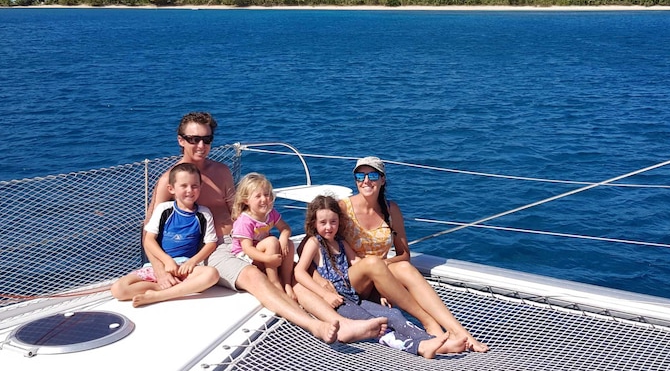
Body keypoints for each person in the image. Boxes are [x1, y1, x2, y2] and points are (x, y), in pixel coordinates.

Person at [147, 112, 387, 344]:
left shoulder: (220, 172)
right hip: (210, 250)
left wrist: (267, 239)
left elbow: (240, 212)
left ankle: (340, 324)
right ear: (181, 140)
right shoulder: (170, 181)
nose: (201, 145)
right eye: (193, 139)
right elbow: (150, 231)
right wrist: (161, 271)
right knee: (254, 277)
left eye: (207, 139)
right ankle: (316, 326)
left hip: (243, 241)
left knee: (290, 274)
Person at [339, 156, 489, 352]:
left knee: (403, 267)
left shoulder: (391, 210)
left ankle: (459, 332)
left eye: (373, 175)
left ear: (382, 179)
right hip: (349, 281)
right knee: (375, 263)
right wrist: (376, 267)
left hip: (378, 279)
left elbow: (403, 254)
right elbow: (322, 245)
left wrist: (382, 273)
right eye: (361, 176)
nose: (366, 181)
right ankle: (429, 323)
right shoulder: (342, 208)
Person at [296, 195, 466, 358]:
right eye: (323, 223)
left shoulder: (340, 242)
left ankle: (433, 342)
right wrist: (325, 294)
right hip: (338, 301)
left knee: (393, 315)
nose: (329, 227)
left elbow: (356, 262)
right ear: (314, 223)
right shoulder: (314, 243)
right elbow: (299, 272)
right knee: (377, 324)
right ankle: (419, 347)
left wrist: (381, 286)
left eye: (333, 222)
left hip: (353, 295)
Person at [111, 162, 219, 307]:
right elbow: (149, 239)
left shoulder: (203, 214)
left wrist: (192, 262)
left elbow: (211, 243)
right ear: (171, 189)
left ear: (200, 187)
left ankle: (159, 295)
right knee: (118, 289)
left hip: (185, 269)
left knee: (212, 274)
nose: (190, 190)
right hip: (160, 266)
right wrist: (166, 261)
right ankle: (169, 289)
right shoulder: (164, 210)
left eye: (194, 186)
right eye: (184, 186)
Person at [231, 172, 296, 299]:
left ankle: (287, 281)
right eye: (258, 196)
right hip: (247, 256)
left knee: (289, 243)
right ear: (246, 200)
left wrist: (283, 237)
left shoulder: (270, 213)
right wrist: (268, 259)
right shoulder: (245, 221)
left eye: (266, 195)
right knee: (272, 241)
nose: (264, 199)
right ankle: (274, 282)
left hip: (263, 250)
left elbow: (285, 228)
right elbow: (247, 248)